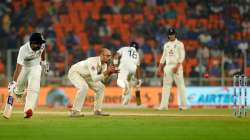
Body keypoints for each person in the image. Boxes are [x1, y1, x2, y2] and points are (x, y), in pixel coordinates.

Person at [7, 32, 48, 118]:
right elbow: (18, 68)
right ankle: (18, 92)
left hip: (36, 66)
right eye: (39, 44)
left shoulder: (41, 45)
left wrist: (43, 61)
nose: (41, 45)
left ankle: (28, 110)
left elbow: (43, 50)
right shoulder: (23, 50)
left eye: (41, 43)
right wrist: (13, 82)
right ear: (33, 43)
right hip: (24, 67)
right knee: (18, 90)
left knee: (34, 87)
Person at [68, 48, 118, 117]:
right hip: (75, 72)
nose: (109, 58)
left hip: (88, 76)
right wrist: (107, 72)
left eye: (110, 56)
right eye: (107, 56)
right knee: (84, 87)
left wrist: (109, 73)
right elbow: (95, 79)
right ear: (101, 55)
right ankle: (75, 111)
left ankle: (97, 110)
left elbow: (104, 81)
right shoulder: (93, 62)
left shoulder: (104, 65)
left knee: (101, 87)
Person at [157, 28, 187, 110]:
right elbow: (163, 56)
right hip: (168, 67)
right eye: (170, 34)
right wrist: (160, 67)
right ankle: (163, 106)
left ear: (175, 34)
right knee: (166, 86)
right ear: (168, 35)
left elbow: (182, 56)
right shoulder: (166, 45)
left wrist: (177, 67)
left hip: (177, 65)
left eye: (173, 34)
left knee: (180, 86)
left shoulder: (180, 44)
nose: (171, 36)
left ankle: (184, 106)